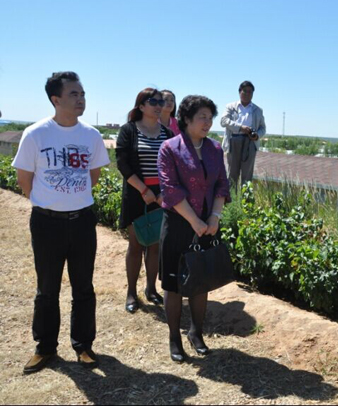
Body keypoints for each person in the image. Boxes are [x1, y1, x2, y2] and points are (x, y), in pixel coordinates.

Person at [12, 71, 110, 373]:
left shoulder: (91, 136)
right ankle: (45, 348)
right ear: (56, 99)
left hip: (82, 221)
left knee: (83, 286)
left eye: (82, 94)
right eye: (73, 95)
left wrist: (71, 199)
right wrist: (49, 203)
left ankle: (83, 346)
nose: (81, 99)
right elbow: (24, 179)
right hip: (46, 223)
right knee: (47, 288)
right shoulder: (35, 134)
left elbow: (92, 177)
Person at [158, 95, 230, 363]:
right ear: (186, 119)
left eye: (210, 117)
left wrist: (214, 217)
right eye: (202, 117)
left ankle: (196, 333)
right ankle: (174, 339)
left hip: (207, 224)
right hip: (179, 223)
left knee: (201, 281)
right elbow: (170, 190)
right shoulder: (170, 148)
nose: (208, 122)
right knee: (174, 284)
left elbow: (222, 185)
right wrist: (195, 221)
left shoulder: (214, 149)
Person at [116, 88, 173, 313]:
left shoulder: (167, 134)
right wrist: (143, 190)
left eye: (161, 101)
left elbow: (172, 167)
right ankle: (132, 292)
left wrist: (162, 194)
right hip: (136, 196)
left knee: (156, 245)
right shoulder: (129, 131)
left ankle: (151, 289)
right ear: (141, 106)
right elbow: (122, 163)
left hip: (160, 197)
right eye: (153, 101)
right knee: (136, 244)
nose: (158, 105)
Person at [220, 81, 266, 189]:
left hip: (250, 143)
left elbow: (263, 128)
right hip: (233, 141)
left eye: (250, 92)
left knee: (247, 175)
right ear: (239, 92)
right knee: (232, 174)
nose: (247, 94)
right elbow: (223, 121)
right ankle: (231, 201)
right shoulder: (230, 107)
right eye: (244, 91)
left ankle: (246, 202)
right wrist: (241, 127)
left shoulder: (258, 110)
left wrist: (257, 135)